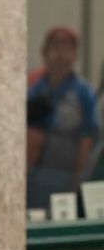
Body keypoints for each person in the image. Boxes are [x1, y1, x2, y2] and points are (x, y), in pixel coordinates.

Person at [27, 26, 98, 211]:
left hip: (68, 176)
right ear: (44, 53)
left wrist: (77, 180)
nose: (61, 55)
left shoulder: (84, 93)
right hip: (36, 176)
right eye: (56, 48)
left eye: (68, 49)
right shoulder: (34, 89)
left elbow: (87, 139)